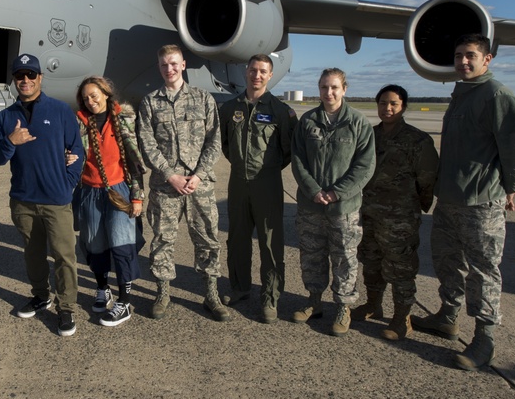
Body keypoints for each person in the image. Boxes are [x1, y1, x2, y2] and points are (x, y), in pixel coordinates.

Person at [412, 34, 515, 370]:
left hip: (481, 202)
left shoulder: (496, 95)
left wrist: (511, 186)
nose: (463, 62)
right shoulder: (463, 94)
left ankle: (484, 338)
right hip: (450, 199)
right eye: (458, 56)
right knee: (447, 261)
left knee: (483, 271)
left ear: (487, 59)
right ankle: (447, 317)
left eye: (470, 56)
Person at [0, 53, 85, 337]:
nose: (26, 80)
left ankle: (66, 307)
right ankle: (41, 296)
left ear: (40, 78)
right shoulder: (6, 117)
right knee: (33, 254)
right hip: (23, 200)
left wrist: (67, 182)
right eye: (20, 75)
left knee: (64, 255)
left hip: (56, 200)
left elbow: (77, 150)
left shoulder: (60, 110)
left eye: (31, 75)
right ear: (14, 80)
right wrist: (10, 141)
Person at [137, 44, 228, 321]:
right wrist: (170, 174)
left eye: (174, 64)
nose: (169, 69)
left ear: (184, 64)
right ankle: (163, 291)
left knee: (208, 239)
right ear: (159, 67)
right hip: (167, 186)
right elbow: (146, 142)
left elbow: (215, 140)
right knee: (163, 240)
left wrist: (198, 174)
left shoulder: (203, 99)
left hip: (200, 185)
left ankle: (211, 293)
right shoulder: (150, 102)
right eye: (164, 64)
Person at [291, 68, 375, 336]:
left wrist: (338, 192)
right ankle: (314, 300)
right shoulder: (308, 121)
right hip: (310, 204)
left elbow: (365, 165)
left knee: (344, 259)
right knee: (311, 255)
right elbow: (298, 160)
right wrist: (313, 190)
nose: (329, 93)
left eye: (334, 87)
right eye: (324, 87)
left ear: (344, 89)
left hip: (344, 207)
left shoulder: (358, 123)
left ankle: (343, 307)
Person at [353, 84, 438, 340]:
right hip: (369, 213)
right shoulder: (369, 135)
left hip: (400, 217)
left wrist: (415, 206)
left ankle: (402, 317)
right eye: (382, 103)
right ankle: (373, 304)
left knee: (401, 267)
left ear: (403, 106)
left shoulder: (417, 140)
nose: (387, 108)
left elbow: (427, 178)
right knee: (370, 261)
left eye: (393, 104)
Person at [218, 54, 295, 323]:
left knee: (271, 243)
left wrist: (267, 169)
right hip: (238, 181)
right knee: (237, 238)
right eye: (253, 70)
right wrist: (241, 164)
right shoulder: (229, 108)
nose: (257, 75)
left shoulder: (281, 111)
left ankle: (270, 297)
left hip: (268, 182)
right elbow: (225, 144)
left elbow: (287, 150)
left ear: (270, 75)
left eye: (263, 71)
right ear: (245, 73)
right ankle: (239, 288)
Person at [74, 76, 145, 327]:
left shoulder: (123, 119)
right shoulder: (79, 123)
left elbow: (134, 160)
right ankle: (103, 288)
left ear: (106, 93)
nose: (91, 101)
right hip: (90, 191)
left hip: (118, 190)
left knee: (122, 244)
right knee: (94, 244)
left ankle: (124, 301)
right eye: (85, 98)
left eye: (94, 95)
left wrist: (137, 196)